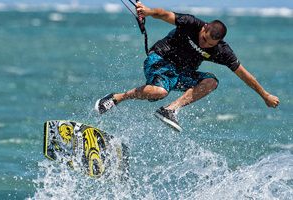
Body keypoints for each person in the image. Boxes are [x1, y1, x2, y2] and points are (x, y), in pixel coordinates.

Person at [95, 2, 280, 132]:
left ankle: (169, 110)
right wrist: (149, 11)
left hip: (182, 73)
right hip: (160, 59)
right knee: (159, 92)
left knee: (211, 81)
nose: (204, 44)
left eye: (210, 44)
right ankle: (116, 98)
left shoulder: (222, 51)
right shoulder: (191, 23)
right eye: (204, 38)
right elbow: (165, 14)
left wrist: (265, 96)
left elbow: (244, 74)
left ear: (220, 41)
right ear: (204, 27)